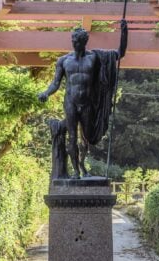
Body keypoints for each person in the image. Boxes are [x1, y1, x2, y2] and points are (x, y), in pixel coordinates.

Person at [39, 20, 128, 179]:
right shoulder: (64, 61)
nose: (74, 43)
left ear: (84, 42)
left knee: (86, 136)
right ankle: (76, 172)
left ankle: (81, 163)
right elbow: (55, 83)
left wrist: (124, 32)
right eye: (73, 41)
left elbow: (120, 53)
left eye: (77, 41)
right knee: (72, 136)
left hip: (88, 103)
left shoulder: (95, 57)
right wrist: (46, 93)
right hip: (71, 102)